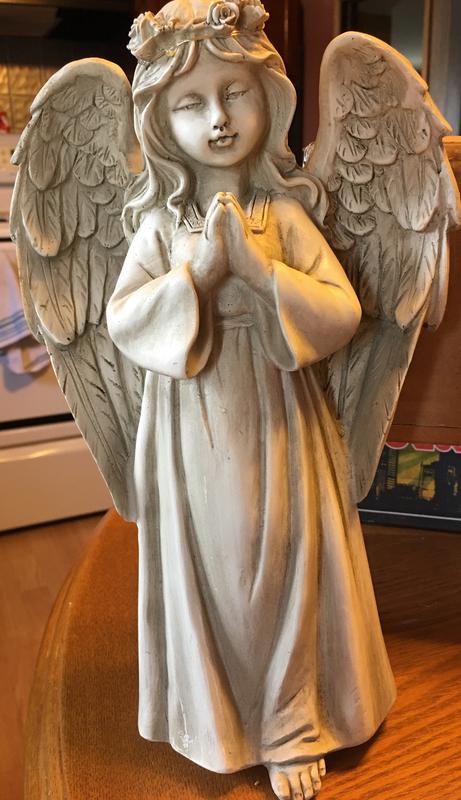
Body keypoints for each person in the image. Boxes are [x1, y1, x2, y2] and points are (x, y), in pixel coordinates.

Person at [107, 3, 396, 798]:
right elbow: (124, 320)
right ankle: (216, 718)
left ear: (268, 97)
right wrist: (199, 276)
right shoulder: (159, 226)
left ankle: (292, 723)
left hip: (276, 416)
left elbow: (339, 312)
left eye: (233, 92)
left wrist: (261, 273)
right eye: (190, 103)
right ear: (160, 123)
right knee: (215, 567)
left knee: (282, 561)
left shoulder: (285, 215)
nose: (218, 119)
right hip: (188, 420)